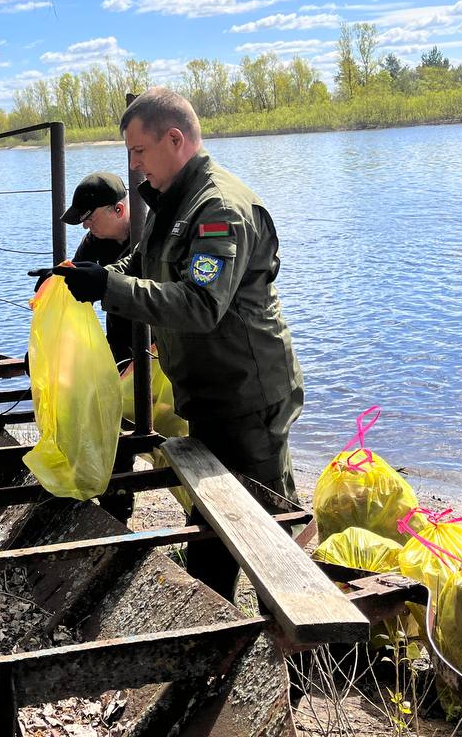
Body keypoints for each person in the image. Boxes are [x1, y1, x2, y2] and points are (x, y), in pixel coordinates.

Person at [54, 87, 304, 601]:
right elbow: (143, 263)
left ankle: (300, 667)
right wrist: (91, 274)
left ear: (175, 139)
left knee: (271, 534)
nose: (134, 163)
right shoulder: (173, 203)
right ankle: (213, 641)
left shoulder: (217, 209)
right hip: (210, 395)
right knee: (212, 525)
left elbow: (200, 304)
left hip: (248, 397)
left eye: (139, 151)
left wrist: (108, 289)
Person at [62, 171, 134, 368]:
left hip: (158, 342)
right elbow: (76, 278)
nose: (85, 226)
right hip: (119, 339)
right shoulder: (96, 238)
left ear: (118, 210)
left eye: (90, 218)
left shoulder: (150, 233)